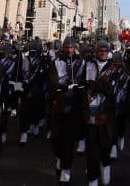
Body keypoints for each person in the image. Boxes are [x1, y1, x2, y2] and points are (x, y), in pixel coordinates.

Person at [50, 37, 85, 183]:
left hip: (74, 108)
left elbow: (84, 80)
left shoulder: (81, 62)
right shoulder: (56, 62)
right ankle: (59, 158)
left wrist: (78, 86)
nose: (69, 50)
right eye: (67, 47)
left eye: (71, 47)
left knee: (69, 141)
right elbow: (52, 81)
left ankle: (66, 171)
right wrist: (60, 87)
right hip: (59, 105)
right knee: (56, 138)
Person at [83, 40, 115, 186]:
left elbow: (113, 91)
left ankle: (106, 166)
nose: (103, 53)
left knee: (105, 145)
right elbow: (83, 84)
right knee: (91, 149)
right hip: (90, 113)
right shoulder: (88, 65)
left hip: (106, 115)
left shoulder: (113, 69)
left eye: (105, 51)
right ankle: (93, 179)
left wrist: (96, 86)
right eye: (100, 50)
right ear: (96, 52)